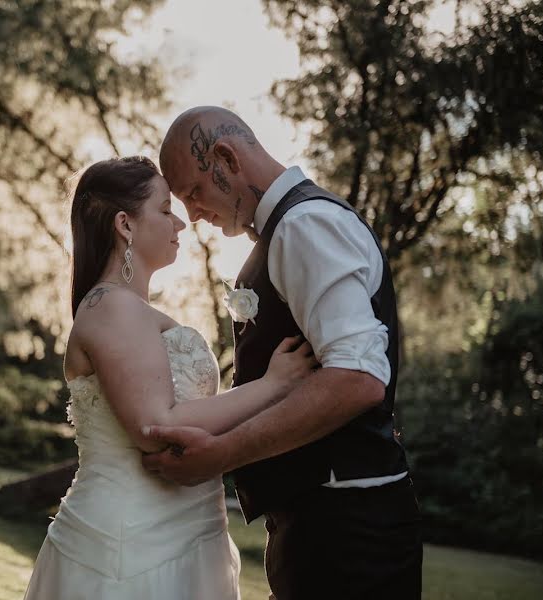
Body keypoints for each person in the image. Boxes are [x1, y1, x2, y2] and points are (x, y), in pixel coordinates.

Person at [142, 106, 423, 599]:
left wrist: (222, 454)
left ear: (226, 159)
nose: (194, 217)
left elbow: (358, 377)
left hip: (346, 532)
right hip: (321, 523)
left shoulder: (305, 225)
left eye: (194, 193)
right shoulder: (288, 229)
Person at [23, 156, 318, 599]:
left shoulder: (132, 309)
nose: (180, 222)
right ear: (125, 224)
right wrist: (274, 386)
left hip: (188, 533)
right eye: (164, 209)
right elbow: (156, 426)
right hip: (130, 545)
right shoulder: (110, 306)